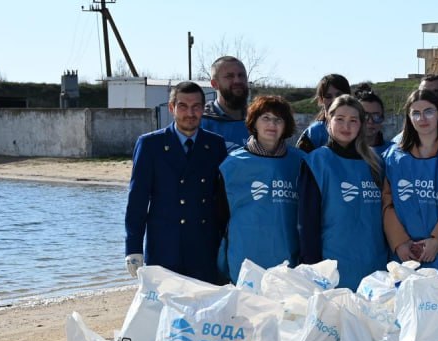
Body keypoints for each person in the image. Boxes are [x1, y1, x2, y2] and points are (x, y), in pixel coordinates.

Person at [124, 81, 228, 283]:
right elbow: (137, 201)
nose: (190, 113)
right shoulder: (150, 145)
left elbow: (222, 201)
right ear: (172, 108)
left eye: (196, 106)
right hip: (164, 248)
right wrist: (133, 248)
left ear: (203, 109)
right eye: (183, 106)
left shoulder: (215, 145)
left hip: (204, 248)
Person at [297, 94, 390, 290]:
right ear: (328, 121)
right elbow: (307, 222)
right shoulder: (317, 161)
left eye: (353, 120)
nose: (346, 126)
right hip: (333, 267)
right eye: (339, 119)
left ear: (361, 125)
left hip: (374, 266)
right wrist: (314, 267)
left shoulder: (376, 163)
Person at [214, 96, 304, 283]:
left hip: (288, 261)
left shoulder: (301, 162)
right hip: (245, 260)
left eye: (278, 119)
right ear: (254, 122)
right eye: (266, 118)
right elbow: (220, 219)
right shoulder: (232, 164)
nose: (272, 124)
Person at [382, 89, 438, 276]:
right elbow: (386, 204)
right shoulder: (393, 157)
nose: (422, 118)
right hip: (404, 257)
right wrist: (400, 243)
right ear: (409, 118)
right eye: (416, 113)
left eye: (429, 111)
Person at [200, 56, 250, 151]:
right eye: (229, 76)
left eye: (241, 75)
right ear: (214, 84)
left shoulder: (260, 120)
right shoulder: (200, 123)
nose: (237, 81)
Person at [297, 73, 352, 152]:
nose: (334, 100)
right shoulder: (313, 133)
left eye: (339, 95)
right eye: (328, 96)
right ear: (321, 100)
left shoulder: (358, 128)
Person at [353, 82, 391, 157]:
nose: (370, 121)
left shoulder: (392, 152)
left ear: (382, 118)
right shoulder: (343, 152)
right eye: (365, 116)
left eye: (376, 116)